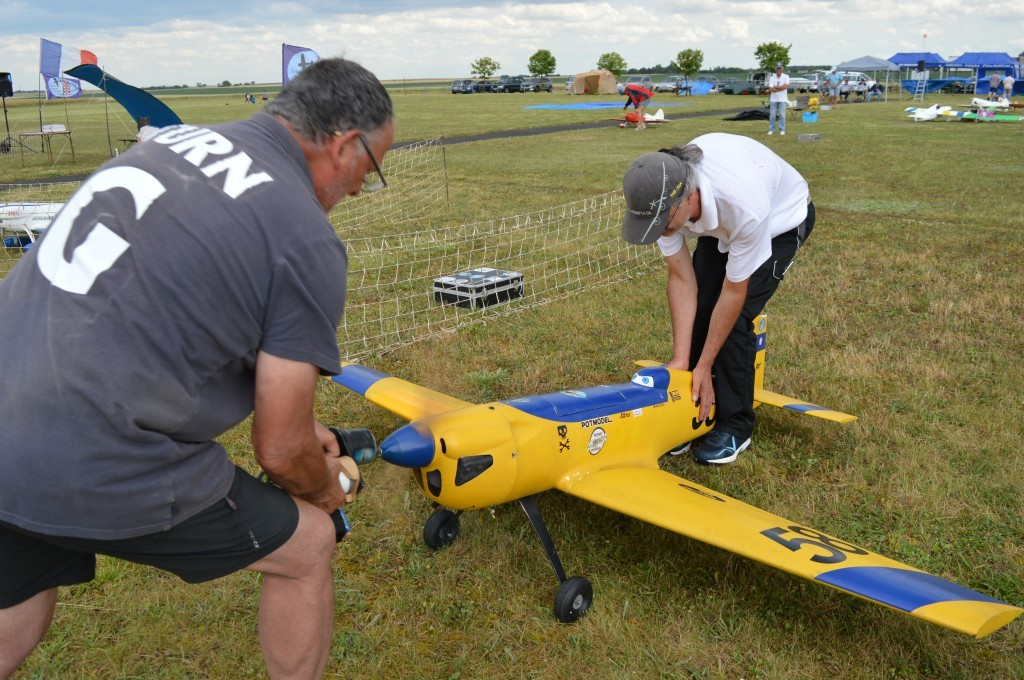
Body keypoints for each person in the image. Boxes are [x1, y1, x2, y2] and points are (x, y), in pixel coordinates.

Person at [0, 58, 394, 679]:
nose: (359, 190)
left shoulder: (174, 140)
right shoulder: (306, 237)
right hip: (91, 446)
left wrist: (305, 428)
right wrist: (323, 489)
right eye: (370, 173)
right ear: (346, 146)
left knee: (19, 579)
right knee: (307, 545)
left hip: (8, 408)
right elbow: (282, 450)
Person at [619, 133, 814, 465]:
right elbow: (682, 279)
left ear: (688, 198)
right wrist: (682, 362)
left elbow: (734, 293)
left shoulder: (742, 205)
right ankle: (692, 405)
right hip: (715, 221)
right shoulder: (666, 207)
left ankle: (736, 425)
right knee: (702, 308)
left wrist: (705, 363)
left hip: (779, 221)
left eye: (662, 223)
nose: (658, 231)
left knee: (734, 318)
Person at [766, 63, 790, 135]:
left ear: (782, 69)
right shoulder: (772, 78)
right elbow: (770, 88)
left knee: (782, 115)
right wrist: (780, 88)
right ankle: (771, 129)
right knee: (772, 115)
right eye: (777, 68)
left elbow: (786, 86)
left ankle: (782, 130)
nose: (779, 69)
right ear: (775, 69)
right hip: (773, 99)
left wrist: (775, 87)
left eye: (780, 68)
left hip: (782, 99)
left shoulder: (786, 76)